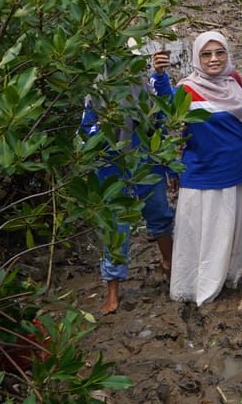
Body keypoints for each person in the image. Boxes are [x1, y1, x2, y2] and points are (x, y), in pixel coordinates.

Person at [170, 31, 242, 306]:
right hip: (201, 173)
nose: (214, 59)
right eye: (206, 54)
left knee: (231, 228)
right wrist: (170, 169)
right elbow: (170, 129)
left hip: (235, 170)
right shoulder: (185, 89)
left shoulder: (233, 81)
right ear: (197, 58)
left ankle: (232, 274)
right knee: (204, 232)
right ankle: (199, 285)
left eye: (219, 52)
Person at [83, 46, 176, 315]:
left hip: (147, 162)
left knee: (159, 214)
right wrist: (99, 129)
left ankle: (169, 262)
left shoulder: (145, 88)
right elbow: (86, 132)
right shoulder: (96, 94)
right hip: (111, 167)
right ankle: (113, 291)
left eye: (130, 63)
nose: (125, 69)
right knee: (115, 226)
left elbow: (164, 118)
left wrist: (170, 166)